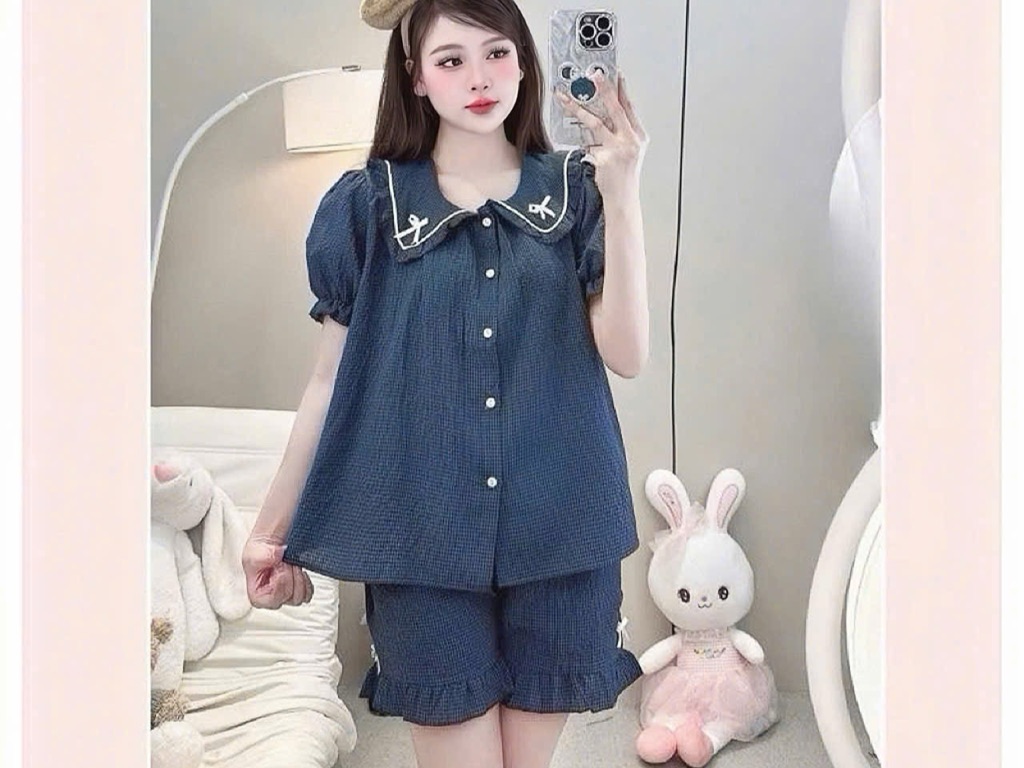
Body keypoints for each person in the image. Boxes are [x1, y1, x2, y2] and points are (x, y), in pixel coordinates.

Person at [241, 0, 650, 765]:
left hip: (563, 532)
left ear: (525, 61)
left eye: (496, 53)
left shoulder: (578, 192)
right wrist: (270, 531)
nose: (479, 78)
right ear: (416, 78)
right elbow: (328, 384)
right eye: (451, 60)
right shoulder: (366, 207)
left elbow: (626, 354)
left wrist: (622, 188)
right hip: (418, 539)